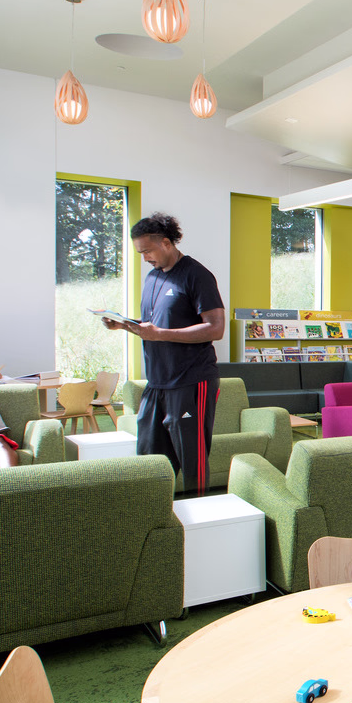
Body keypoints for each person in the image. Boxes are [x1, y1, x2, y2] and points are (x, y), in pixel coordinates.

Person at [100, 212, 225, 495]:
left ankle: (199, 511)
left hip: (191, 380)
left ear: (167, 243)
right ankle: (153, 515)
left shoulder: (197, 275)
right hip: (157, 382)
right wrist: (124, 324)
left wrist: (160, 333)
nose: (145, 258)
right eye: (140, 253)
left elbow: (215, 328)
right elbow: (155, 326)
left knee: (192, 463)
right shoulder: (153, 277)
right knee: (149, 460)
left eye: (148, 251)